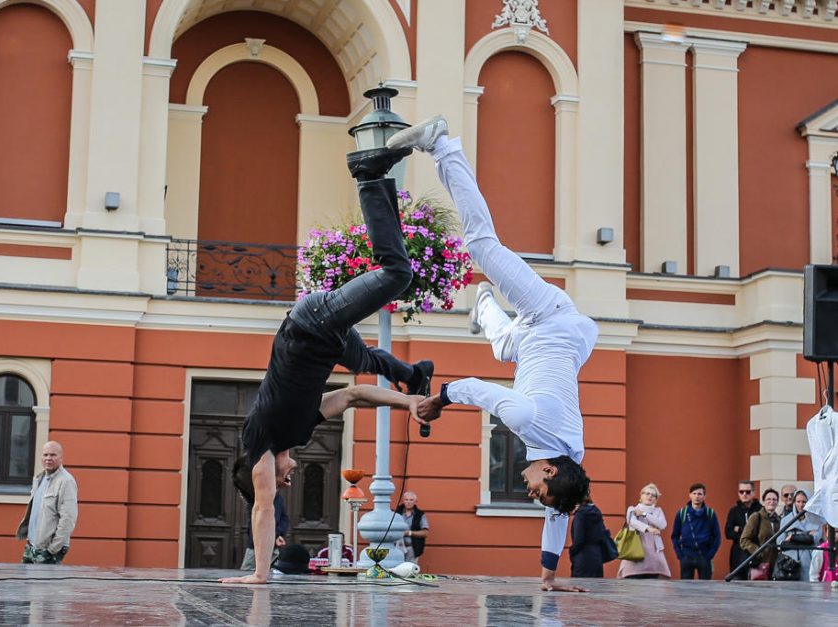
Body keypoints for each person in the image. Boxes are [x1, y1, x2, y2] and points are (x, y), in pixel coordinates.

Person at [391, 115, 599, 592]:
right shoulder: (528, 419)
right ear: (548, 470)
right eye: (537, 490)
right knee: (482, 246)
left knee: (506, 346)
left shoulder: (571, 457)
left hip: (543, 344)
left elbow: (559, 514)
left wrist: (549, 577)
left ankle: (484, 305)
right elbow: (476, 390)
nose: (530, 492)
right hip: (550, 316)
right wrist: (437, 401)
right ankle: (442, 143)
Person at [221, 145, 436, 585]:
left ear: (259, 471)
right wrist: (406, 402)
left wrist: (259, 574)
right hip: (328, 340)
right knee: (365, 362)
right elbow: (355, 395)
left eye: (279, 480)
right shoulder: (299, 428)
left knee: (398, 273)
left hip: (313, 323)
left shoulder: (259, 437)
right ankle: (414, 374)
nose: (287, 478)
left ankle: (368, 177)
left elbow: (261, 508)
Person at [15, 441, 78, 565]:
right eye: (45, 455)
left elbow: (68, 519)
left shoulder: (66, 481)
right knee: (24, 582)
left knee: (43, 584)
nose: (48, 458)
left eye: (53, 455)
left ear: (61, 458)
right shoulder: (39, 478)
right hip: (32, 545)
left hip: (48, 548)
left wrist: (52, 549)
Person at [617, 483, 671, 579]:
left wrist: (644, 514)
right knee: (632, 582)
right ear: (641, 496)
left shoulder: (658, 511)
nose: (650, 496)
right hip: (635, 551)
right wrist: (649, 528)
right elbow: (632, 522)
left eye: (653, 495)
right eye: (647, 493)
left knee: (651, 584)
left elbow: (662, 525)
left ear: (656, 499)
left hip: (653, 553)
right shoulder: (632, 509)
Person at [670, 483, 721, 579]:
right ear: (690, 495)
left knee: (706, 589)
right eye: (694, 494)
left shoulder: (710, 513)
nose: (697, 496)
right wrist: (680, 555)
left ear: (704, 496)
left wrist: (710, 555)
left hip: (704, 556)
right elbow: (675, 536)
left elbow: (717, 536)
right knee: (686, 589)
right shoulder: (682, 513)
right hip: (686, 556)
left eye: (700, 494)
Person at [778, 490, 823, 581]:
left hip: (810, 562)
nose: (801, 505)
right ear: (794, 502)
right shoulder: (785, 520)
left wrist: (792, 537)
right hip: (790, 565)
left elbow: (816, 539)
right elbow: (780, 543)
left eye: (804, 502)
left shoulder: (817, 519)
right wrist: (806, 538)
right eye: (798, 501)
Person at [240, 493, 289, 571]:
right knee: (248, 570)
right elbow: (259, 522)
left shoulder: (278, 498)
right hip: (256, 545)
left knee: (269, 573)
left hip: (272, 545)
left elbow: (284, 518)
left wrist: (278, 534)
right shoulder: (257, 496)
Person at [740, 488, 781, 579]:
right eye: (769, 499)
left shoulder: (779, 520)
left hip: (775, 565)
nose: (772, 502)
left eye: (774, 499)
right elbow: (744, 540)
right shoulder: (756, 517)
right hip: (759, 563)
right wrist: (758, 551)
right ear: (763, 502)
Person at [724, 480, 761, 579]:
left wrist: (739, 529)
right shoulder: (734, 511)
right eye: (741, 492)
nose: (744, 494)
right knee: (737, 583)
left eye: (748, 492)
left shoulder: (760, 510)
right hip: (737, 554)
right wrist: (748, 533)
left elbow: (760, 532)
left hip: (755, 554)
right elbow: (728, 533)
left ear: (753, 493)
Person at [569, 500, 608, 578]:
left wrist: (571, 552)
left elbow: (578, 540)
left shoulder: (580, 515)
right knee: (597, 588)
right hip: (597, 557)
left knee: (580, 586)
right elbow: (603, 534)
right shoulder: (597, 512)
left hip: (582, 558)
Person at [395, 491, 429, 563]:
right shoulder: (396, 513)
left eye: (411, 500)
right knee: (396, 570)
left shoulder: (420, 514)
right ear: (403, 501)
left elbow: (425, 533)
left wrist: (409, 533)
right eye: (406, 500)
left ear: (415, 502)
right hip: (396, 548)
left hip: (412, 548)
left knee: (410, 571)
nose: (408, 502)